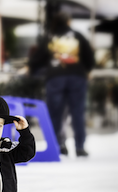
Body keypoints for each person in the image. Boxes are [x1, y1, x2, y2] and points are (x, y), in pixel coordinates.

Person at [28, 11, 94, 157]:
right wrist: (88, 69)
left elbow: (38, 57)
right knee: (77, 113)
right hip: (77, 77)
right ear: (68, 22)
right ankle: (80, 147)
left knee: (55, 113)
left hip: (55, 78)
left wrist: (30, 67)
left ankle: (58, 145)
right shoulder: (77, 35)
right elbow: (88, 54)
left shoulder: (50, 37)